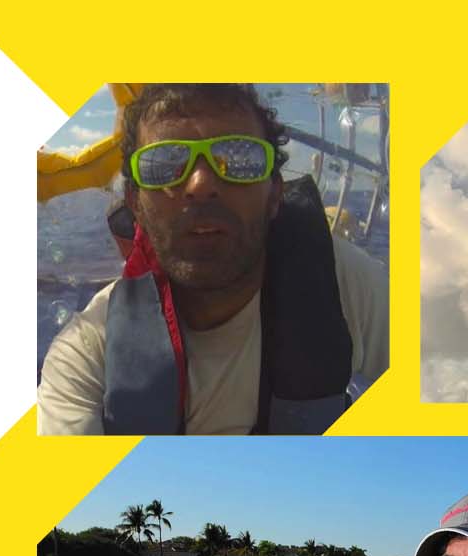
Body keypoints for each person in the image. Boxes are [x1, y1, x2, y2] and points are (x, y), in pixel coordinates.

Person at [38, 83, 388, 435]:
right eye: (164, 164)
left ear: (275, 194)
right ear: (135, 204)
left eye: (239, 159)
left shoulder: (344, 285)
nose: (201, 183)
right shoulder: (85, 353)